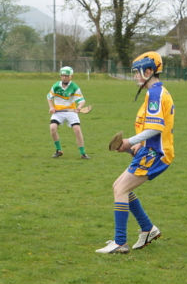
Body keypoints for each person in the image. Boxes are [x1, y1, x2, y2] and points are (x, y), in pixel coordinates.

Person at [96, 51, 174, 254]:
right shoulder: (155, 91)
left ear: (149, 71)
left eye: (137, 72)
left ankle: (120, 242)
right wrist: (136, 145)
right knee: (120, 187)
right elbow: (155, 128)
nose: (135, 76)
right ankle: (148, 229)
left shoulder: (155, 93)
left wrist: (130, 141)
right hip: (151, 150)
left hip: (156, 153)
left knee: (120, 189)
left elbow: (156, 128)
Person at [47, 66, 89, 159]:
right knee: (52, 128)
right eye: (62, 76)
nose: (64, 77)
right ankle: (59, 150)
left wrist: (79, 107)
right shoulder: (56, 86)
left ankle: (83, 153)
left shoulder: (74, 87)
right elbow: (49, 97)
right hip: (58, 112)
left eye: (66, 76)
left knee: (77, 130)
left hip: (71, 112)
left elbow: (82, 100)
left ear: (71, 76)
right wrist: (51, 107)